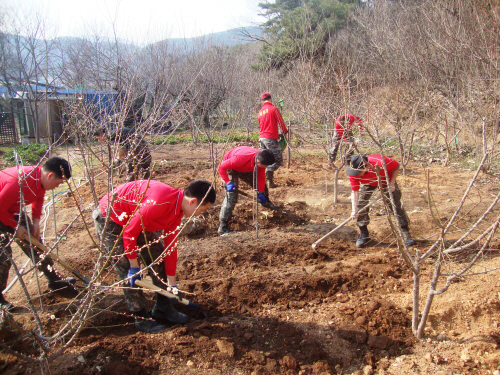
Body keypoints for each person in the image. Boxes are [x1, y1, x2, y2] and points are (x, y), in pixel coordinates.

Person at [93, 179, 216, 333]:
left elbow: (170, 249)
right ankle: (141, 318)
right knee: (127, 270)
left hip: (135, 219)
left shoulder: (177, 211)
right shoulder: (158, 202)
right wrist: (134, 267)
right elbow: (130, 233)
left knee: (158, 257)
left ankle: (163, 307)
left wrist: (172, 284)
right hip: (111, 217)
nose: (200, 214)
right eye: (202, 210)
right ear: (193, 201)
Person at [0, 157, 76, 310]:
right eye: (59, 183)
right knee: (3, 255)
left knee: (36, 244)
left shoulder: (40, 180)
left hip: (10, 210)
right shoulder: (19, 181)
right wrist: (15, 227)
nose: (57, 186)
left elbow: (39, 198)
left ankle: (52, 278)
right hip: (1, 209)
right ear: (50, 176)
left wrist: (35, 222)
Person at [346, 154, 415, 248]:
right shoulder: (353, 172)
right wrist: (354, 210)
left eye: (358, 172)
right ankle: (364, 233)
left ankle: (405, 231)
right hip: (368, 182)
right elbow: (355, 191)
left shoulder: (381, 163)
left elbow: (397, 166)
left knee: (394, 204)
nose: (356, 174)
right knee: (360, 203)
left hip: (385, 180)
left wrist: (392, 183)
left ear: (366, 167)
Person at [218, 146, 276, 235]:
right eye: (266, 166)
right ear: (258, 162)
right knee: (232, 196)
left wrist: (261, 193)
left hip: (246, 166)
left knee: (263, 189)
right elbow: (221, 167)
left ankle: (267, 204)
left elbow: (260, 177)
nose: (267, 167)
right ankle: (223, 227)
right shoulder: (239, 159)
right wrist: (227, 182)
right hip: (229, 168)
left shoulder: (261, 159)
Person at [258, 92, 288, 188]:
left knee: (266, 160)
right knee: (278, 160)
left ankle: (270, 183)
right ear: (271, 99)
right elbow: (280, 121)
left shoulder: (260, 112)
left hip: (262, 138)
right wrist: (285, 132)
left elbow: (263, 126)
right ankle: (266, 171)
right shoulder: (274, 109)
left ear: (262, 101)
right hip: (270, 139)